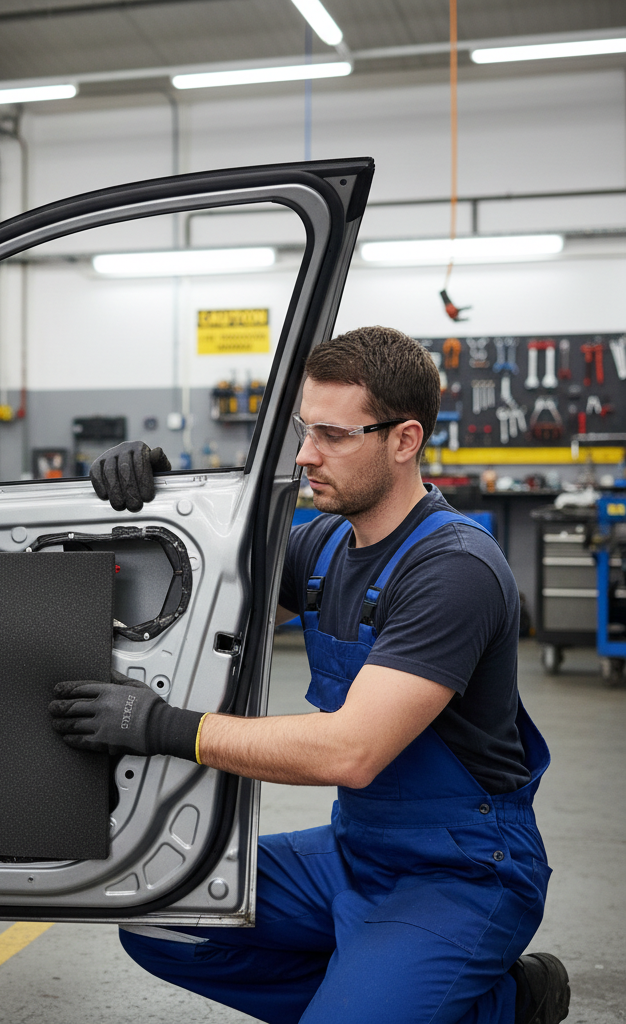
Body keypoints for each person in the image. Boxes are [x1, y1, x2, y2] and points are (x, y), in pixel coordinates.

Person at [49, 326, 570, 1024]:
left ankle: (501, 1003)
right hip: (354, 850)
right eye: (303, 429)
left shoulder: (453, 570)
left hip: (461, 871)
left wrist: (159, 726)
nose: (304, 455)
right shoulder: (323, 543)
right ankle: (386, 985)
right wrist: (164, 501)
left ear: (404, 439)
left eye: (332, 434)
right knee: (154, 911)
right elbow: (198, 604)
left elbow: (350, 752)